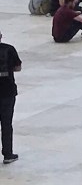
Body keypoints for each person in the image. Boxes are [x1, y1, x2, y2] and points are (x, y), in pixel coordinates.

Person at [0, 29, 21, 166]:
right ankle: (8, 154)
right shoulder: (9, 49)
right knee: (6, 124)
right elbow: (18, 67)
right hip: (7, 92)